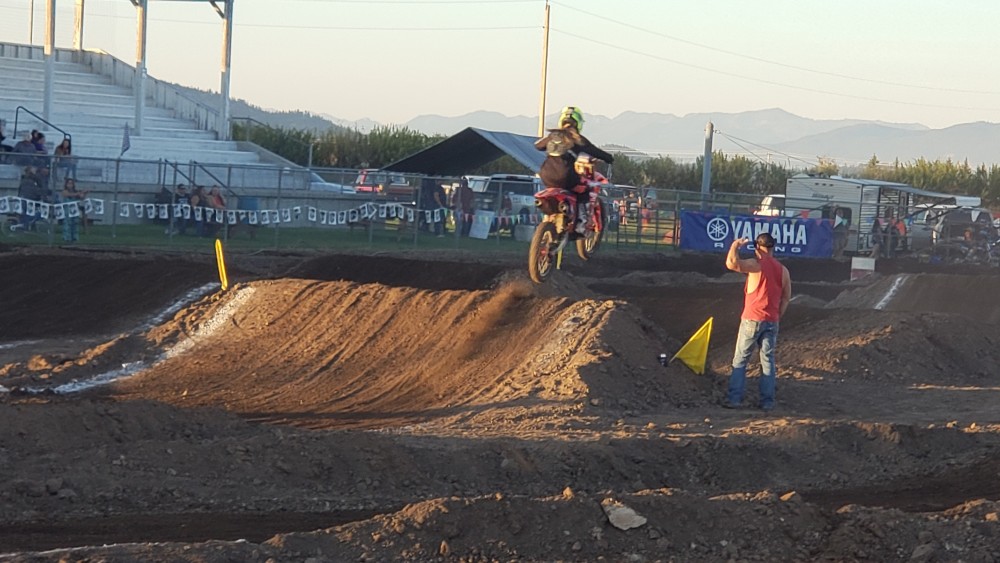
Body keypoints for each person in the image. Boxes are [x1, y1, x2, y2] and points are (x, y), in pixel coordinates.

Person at [722, 233, 792, 412]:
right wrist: (777, 316)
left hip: (752, 319)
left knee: (740, 360)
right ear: (773, 247)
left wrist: (735, 245)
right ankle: (767, 402)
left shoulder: (755, 265)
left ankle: (734, 399)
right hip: (772, 320)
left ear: (757, 247)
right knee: (767, 361)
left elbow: (731, 263)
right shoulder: (783, 270)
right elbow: (786, 298)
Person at [534, 106, 614, 234]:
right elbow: (595, 151)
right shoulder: (577, 139)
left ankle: (556, 217)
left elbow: (538, 146)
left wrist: (552, 142)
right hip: (566, 177)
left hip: (546, 176)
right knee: (585, 190)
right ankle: (581, 223)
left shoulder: (553, 135)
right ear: (578, 123)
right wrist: (609, 158)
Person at [61, 178, 87, 243]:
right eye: (69, 183)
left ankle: (74, 238)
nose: (70, 185)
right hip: (67, 210)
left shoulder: (76, 192)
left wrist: (84, 193)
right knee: (68, 223)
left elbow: (82, 198)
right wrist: (78, 193)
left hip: (75, 210)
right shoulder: (65, 191)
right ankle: (67, 238)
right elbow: (67, 195)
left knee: (75, 223)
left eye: (71, 183)